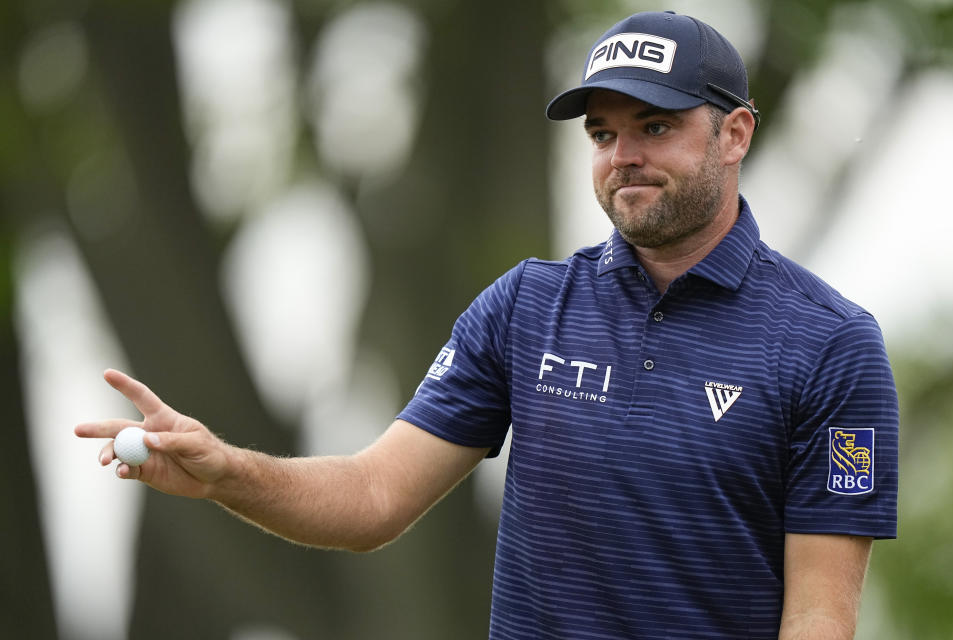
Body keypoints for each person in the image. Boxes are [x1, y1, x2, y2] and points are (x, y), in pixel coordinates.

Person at [76, 10, 898, 639]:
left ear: (736, 134)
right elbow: (371, 498)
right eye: (604, 134)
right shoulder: (527, 307)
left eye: (656, 127)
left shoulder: (829, 343)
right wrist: (226, 470)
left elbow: (820, 619)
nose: (623, 157)